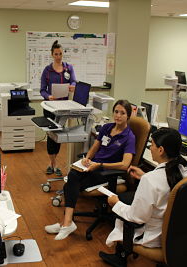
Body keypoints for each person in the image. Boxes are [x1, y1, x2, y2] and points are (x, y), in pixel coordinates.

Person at [99, 127, 187, 266]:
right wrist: (144, 176)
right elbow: (165, 186)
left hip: (154, 236)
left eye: (153, 145)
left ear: (161, 150)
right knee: (128, 199)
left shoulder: (150, 180)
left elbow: (136, 217)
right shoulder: (183, 170)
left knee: (120, 207)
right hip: (176, 232)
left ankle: (122, 255)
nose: (150, 148)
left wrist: (115, 203)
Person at [45, 99, 136, 240]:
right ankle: (67, 223)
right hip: (93, 167)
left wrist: (100, 165)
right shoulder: (107, 127)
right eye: (116, 112)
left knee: (71, 180)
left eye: (122, 113)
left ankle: (66, 222)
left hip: (107, 172)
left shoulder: (129, 137)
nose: (118, 115)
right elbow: (95, 147)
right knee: (73, 176)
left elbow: (125, 165)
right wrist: (87, 158)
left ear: (128, 116)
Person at [40, 40, 77, 176]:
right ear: (52, 54)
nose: (58, 56)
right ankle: (52, 163)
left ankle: (54, 162)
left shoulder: (68, 68)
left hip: (63, 108)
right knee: (51, 135)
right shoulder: (47, 71)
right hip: (50, 107)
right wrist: (48, 96)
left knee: (59, 135)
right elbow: (42, 90)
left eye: (60, 53)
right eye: (56, 54)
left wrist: (73, 85)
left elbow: (73, 81)